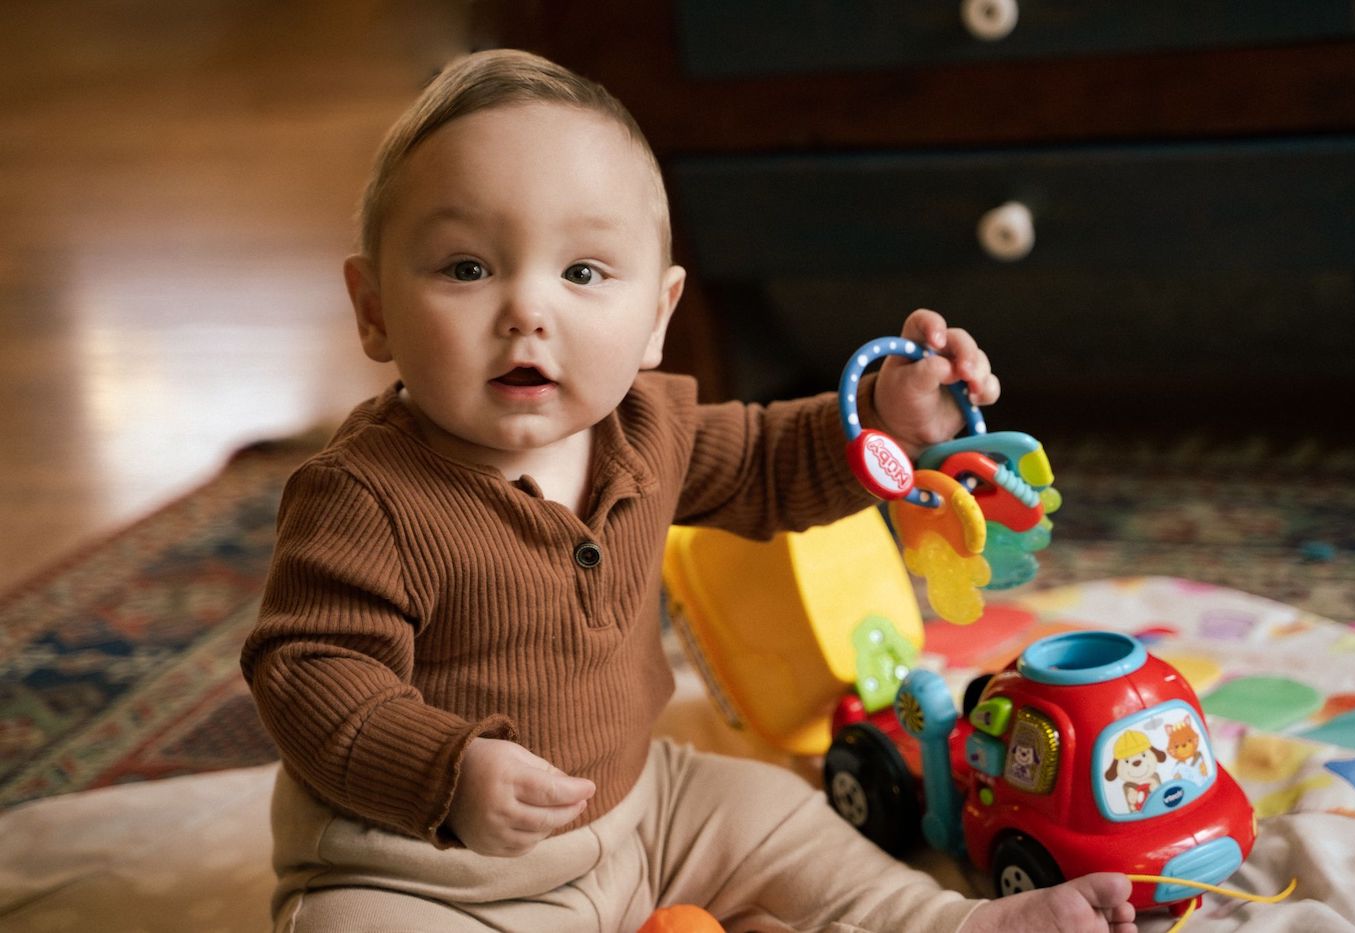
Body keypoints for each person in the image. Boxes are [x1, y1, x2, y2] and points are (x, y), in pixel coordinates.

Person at [241, 48, 1137, 933]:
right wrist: (448, 770)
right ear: (373, 309)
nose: (527, 311)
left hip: (639, 817)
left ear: (657, 317)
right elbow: (309, 671)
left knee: (774, 814)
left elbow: (766, 464)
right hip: (423, 865)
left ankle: (950, 922)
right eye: (467, 268)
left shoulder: (646, 427)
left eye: (582, 271)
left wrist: (882, 417)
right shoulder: (362, 496)